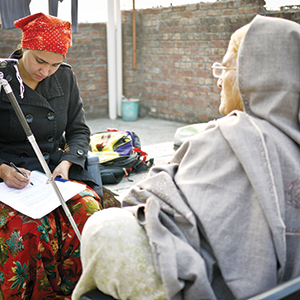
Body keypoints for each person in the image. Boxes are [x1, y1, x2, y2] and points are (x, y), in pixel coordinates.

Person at [72, 14, 300, 300]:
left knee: (104, 228)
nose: (218, 80)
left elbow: (154, 197)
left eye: (225, 67)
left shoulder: (233, 134)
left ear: (255, 75)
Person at [0, 13, 101, 299]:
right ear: (24, 47)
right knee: (26, 227)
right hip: (9, 176)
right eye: (39, 61)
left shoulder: (65, 77)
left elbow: (79, 130)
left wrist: (69, 162)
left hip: (51, 170)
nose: (46, 71)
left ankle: (81, 291)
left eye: (55, 64)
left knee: (88, 210)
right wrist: (3, 170)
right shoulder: (2, 79)